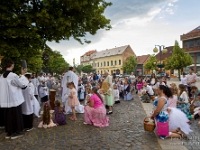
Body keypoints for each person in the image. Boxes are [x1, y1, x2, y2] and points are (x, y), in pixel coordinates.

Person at [0, 60, 29, 139]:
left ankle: (9, 133)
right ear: (12, 65)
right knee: (15, 117)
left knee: (8, 117)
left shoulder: (2, 76)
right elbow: (22, 85)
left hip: (5, 101)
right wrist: (23, 75)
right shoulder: (13, 75)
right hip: (14, 100)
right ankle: (14, 133)